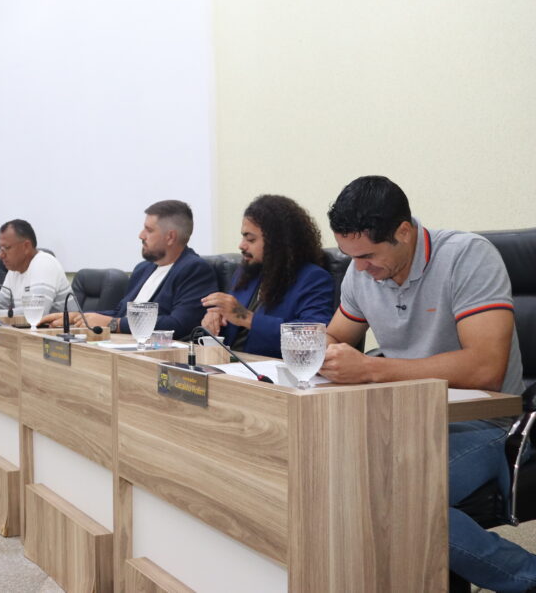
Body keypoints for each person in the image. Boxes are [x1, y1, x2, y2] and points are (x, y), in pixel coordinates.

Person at [321, 175, 533, 592]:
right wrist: (325, 354)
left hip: (485, 423)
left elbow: (485, 367)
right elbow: (333, 335)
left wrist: (371, 369)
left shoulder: (467, 256)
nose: (359, 268)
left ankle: (527, 577)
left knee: (392, 495)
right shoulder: (362, 272)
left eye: (368, 255)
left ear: (403, 231)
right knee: (337, 477)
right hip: (405, 418)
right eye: (350, 256)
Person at [49, 200, 216, 337]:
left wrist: (113, 324)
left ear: (170, 237)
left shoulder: (194, 269)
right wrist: (79, 317)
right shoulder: (143, 269)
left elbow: (178, 324)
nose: (141, 235)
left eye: (149, 230)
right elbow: (121, 313)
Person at [200, 194, 334, 358]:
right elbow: (232, 321)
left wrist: (247, 318)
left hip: (271, 368)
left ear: (278, 242)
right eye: (243, 237)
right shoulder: (246, 272)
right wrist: (216, 316)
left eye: (251, 239)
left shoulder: (313, 279)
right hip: (229, 364)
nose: (241, 245)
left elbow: (313, 337)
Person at [0, 219, 70, 316]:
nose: (1, 255)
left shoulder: (44, 264)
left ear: (26, 246)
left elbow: (35, 313)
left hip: (65, 325)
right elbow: (0, 304)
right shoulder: (14, 270)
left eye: (6, 248)